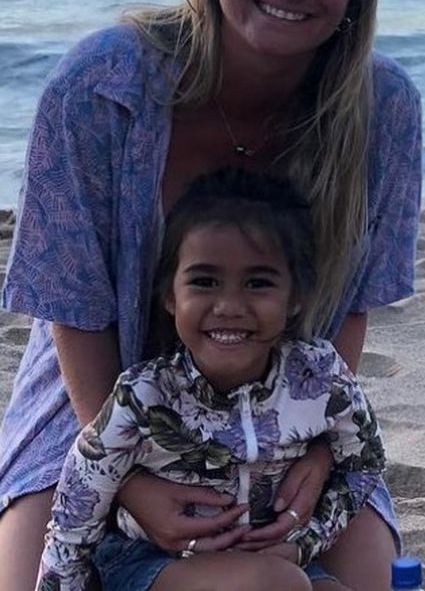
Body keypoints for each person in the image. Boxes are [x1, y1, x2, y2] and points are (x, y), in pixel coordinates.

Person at [0, 0, 421, 591]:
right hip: (100, 390)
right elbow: (72, 307)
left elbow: (348, 305)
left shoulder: (380, 108)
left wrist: (317, 450)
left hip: (284, 399)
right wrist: (128, 479)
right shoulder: (101, 85)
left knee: (377, 581)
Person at [38, 168, 386, 591]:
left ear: (295, 298)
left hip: (275, 557)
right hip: (150, 561)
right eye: (205, 282)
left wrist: (308, 541)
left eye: (258, 283)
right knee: (277, 583)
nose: (228, 306)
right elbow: (77, 504)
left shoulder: (320, 375)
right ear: (170, 295)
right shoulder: (143, 396)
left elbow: (364, 461)